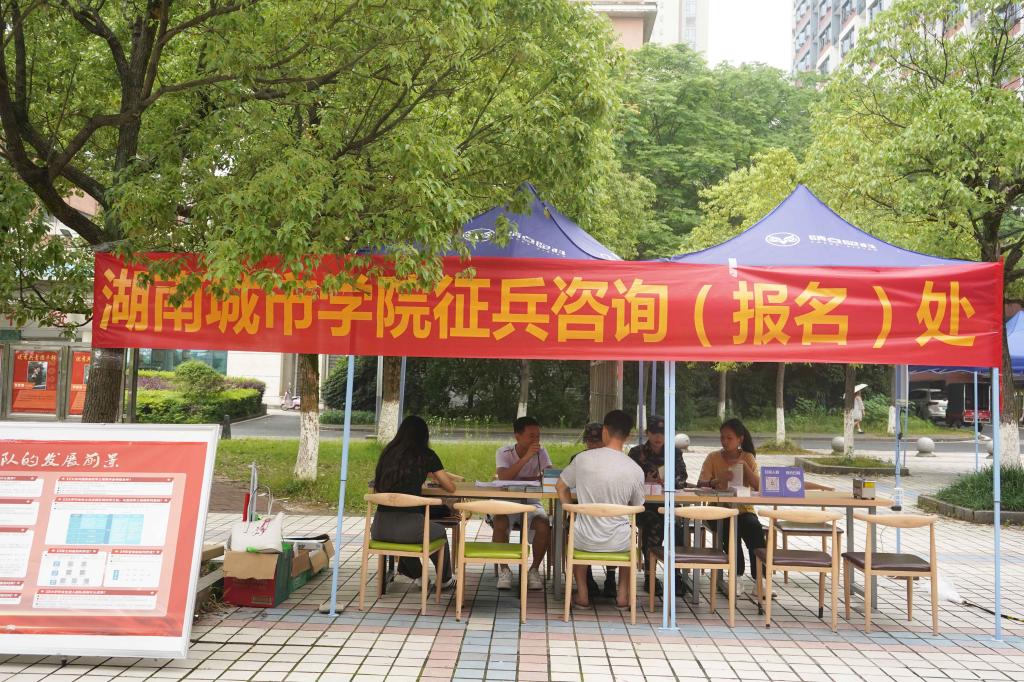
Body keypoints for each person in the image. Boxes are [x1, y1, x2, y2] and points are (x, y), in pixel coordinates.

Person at [557, 410, 645, 608]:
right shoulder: (635, 469)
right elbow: (638, 506)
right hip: (619, 542)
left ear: (605, 430)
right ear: (629, 436)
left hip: (584, 538)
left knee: (575, 533)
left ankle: (583, 595)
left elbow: (560, 486)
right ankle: (622, 596)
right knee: (629, 536)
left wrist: (571, 510)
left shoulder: (582, 459)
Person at [371, 415, 457, 589]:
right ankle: (445, 579)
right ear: (424, 435)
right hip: (410, 529)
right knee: (438, 532)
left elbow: (377, 490)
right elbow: (450, 487)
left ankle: (419, 576)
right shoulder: (426, 455)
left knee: (403, 539)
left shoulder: (388, 453)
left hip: (379, 529)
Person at [697, 418, 765, 587]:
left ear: (740, 439)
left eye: (729, 438)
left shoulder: (748, 457)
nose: (725, 441)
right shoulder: (713, 457)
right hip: (718, 511)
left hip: (744, 509)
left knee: (754, 527)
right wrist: (718, 480)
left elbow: (759, 486)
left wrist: (745, 467)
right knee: (729, 527)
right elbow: (700, 484)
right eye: (722, 437)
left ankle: (761, 579)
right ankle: (736, 575)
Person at [627, 415, 688, 597]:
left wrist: (668, 481)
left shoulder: (674, 453)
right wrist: (644, 480)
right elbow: (627, 479)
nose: (658, 436)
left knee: (676, 527)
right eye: (654, 432)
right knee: (653, 524)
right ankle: (650, 576)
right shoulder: (636, 453)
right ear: (647, 433)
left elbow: (683, 479)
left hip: (667, 505)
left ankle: (676, 575)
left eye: (662, 432)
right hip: (644, 506)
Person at [493, 416, 552, 590]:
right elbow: (504, 477)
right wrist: (526, 458)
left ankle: (534, 569)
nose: (536, 440)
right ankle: (504, 569)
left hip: (532, 502)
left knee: (543, 524)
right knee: (499, 521)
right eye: (531, 436)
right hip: (508, 502)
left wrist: (543, 474)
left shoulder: (542, 452)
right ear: (517, 436)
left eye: (538, 436)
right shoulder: (503, 452)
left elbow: (549, 476)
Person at [575, 422, 617, 599]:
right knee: (574, 527)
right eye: (589, 441)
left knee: (616, 527)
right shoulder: (578, 459)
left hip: (611, 513)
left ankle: (611, 577)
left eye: (597, 441)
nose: (593, 445)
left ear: (605, 441)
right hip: (585, 512)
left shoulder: (617, 460)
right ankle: (588, 578)